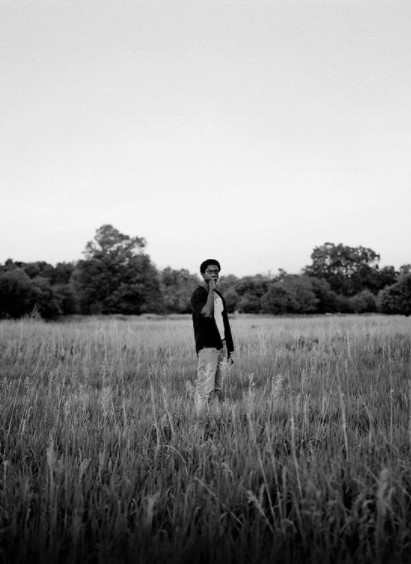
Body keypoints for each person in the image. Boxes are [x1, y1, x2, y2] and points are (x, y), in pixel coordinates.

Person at [190, 259, 234, 413]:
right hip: (208, 347)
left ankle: (213, 419)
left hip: (222, 345)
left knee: (217, 388)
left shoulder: (218, 295)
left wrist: (230, 349)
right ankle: (200, 421)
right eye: (210, 272)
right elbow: (207, 313)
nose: (214, 274)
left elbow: (224, 321)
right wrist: (210, 288)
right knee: (205, 388)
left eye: (216, 272)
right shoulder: (198, 295)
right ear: (202, 274)